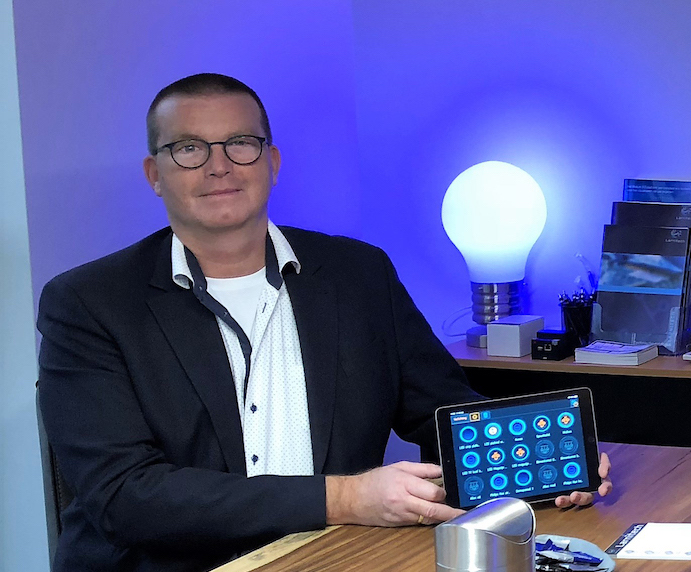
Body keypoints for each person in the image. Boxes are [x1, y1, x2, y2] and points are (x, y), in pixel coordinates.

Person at [37, 73, 611, 571]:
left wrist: (548, 464)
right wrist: (346, 498)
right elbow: (124, 497)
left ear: (272, 163)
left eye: (241, 143)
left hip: (332, 556)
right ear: (154, 174)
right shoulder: (88, 303)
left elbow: (440, 411)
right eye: (188, 148)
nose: (219, 166)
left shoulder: (358, 272)